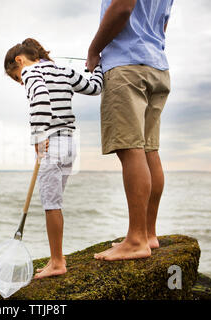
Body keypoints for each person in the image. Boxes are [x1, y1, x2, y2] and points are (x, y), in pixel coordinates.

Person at [4, 38, 103, 278]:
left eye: (17, 77)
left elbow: (39, 97)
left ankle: (57, 262)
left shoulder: (31, 71)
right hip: (70, 143)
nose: (21, 81)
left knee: (51, 205)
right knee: (55, 203)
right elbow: (95, 87)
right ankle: (58, 255)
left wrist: (39, 136)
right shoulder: (64, 70)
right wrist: (96, 67)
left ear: (19, 60)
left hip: (52, 142)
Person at [86, 0, 173, 261]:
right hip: (157, 65)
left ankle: (136, 240)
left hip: (127, 66)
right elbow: (163, 24)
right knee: (149, 150)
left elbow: (123, 7)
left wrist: (93, 51)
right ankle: (147, 234)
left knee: (131, 149)